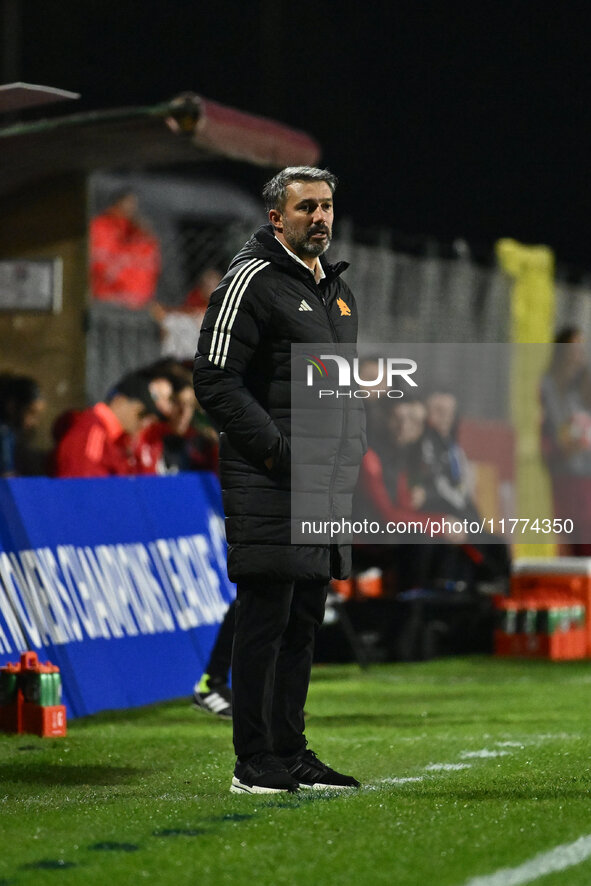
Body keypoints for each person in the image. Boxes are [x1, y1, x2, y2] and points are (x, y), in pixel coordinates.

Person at [194, 166, 364, 793]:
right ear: (276, 217)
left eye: (325, 207)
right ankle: (254, 760)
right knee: (265, 620)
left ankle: (291, 751)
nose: (319, 218)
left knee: (302, 623)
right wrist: (277, 452)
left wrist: (352, 454)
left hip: (323, 485)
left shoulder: (337, 292)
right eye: (306, 208)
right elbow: (214, 380)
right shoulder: (250, 279)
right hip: (271, 480)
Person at [53, 370, 166, 477]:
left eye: (150, 418)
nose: (145, 423)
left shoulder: (118, 438)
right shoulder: (93, 432)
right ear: (120, 401)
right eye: (142, 414)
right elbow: (83, 486)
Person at [541, 326, 591, 554]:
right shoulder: (550, 386)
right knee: (573, 532)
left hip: (583, 469)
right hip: (566, 471)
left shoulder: (579, 386)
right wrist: (574, 440)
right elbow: (561, 435)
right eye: (574, 346)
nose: (579, 351)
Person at [89, 189, 161, 309]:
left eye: (134, 205)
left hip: (137, 304)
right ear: (116, 204)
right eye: (127, 203)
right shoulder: (98, 227)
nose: (130, 208)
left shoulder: (143, 235)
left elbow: (150, 271)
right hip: (104, 301)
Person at [0, 373, 46, 476]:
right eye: (31, 412)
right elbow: (6, 478)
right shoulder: (4, 433)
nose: (35, 422)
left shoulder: (12, 434)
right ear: (12, 406)